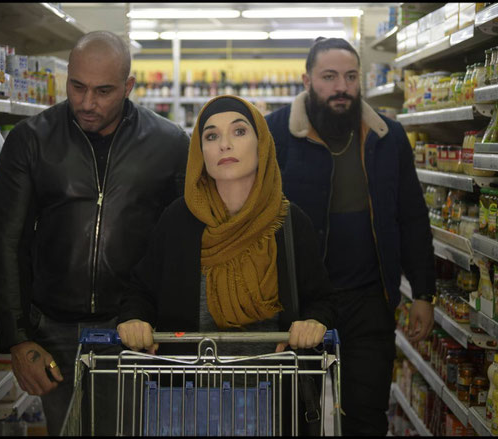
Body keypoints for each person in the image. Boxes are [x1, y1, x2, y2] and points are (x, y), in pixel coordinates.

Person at [0, 31, 189, 435]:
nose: (86, 102)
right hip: (54, 332)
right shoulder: (31, 140)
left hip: (132, 329)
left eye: (103, 91)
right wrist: (18, 338)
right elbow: (8, 242)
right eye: (77, 86)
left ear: (129, 86)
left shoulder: (169, 144)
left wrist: (170, 328)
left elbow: (181, 248)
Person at [117, 95, 338, 434]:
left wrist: (314, 323)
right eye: (210, 136)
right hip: (186, 401)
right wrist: (134, 320)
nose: (224, 144)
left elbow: (321, 299)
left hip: (270, 401)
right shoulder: (178, 220)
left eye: (238, 131)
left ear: (261, 143)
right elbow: (142, 290)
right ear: (199, 153)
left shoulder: (290, 223)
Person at [265, 37, 436, 436]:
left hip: (369, 302)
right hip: (297, 304)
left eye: (350, 76)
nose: (341, 87)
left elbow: (412, 218)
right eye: (329, 77)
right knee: (292, 418)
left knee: (365, 418)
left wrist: (424, 293)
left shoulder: (388, 137)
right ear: (307, 80)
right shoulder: (274, 133)